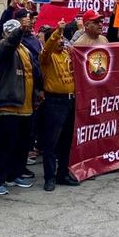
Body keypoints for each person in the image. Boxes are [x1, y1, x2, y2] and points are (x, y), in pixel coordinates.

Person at [0, 19, 36, 195]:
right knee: (4, 146)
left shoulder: (25, 50)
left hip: (26, 106)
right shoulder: (2, 47)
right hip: (9, 104)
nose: (20, 34)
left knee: (22, 144)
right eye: (16, 31)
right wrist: (20, 31)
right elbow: (10, 44)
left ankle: (14, 174)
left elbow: (33, 71)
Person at [38, 19, 81, 192]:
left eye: (62, 37)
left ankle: (62, 173)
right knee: (51, 142)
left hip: (70, 102)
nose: (61, 40)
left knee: (66, 141)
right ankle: (49, 178)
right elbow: (47, 48)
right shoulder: (46, 58)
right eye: (58, 38)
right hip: (54, 102)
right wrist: (57, 31)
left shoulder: (67, 54)